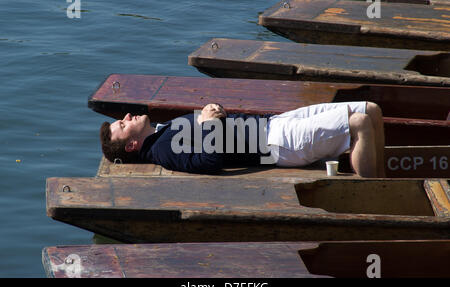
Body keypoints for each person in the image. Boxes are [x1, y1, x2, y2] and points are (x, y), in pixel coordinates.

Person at [100, 102, 385, 177]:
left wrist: (215, 114)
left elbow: (211, 128)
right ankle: (375, 195)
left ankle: (383, 177)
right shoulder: (162, 151)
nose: (126, 116)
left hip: (275, 123)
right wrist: (211, 125)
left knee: (371, 110)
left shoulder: (161, 130)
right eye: (123, 125)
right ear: (132, 145)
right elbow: (209, 163)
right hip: (277, 143)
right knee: (358, 123)